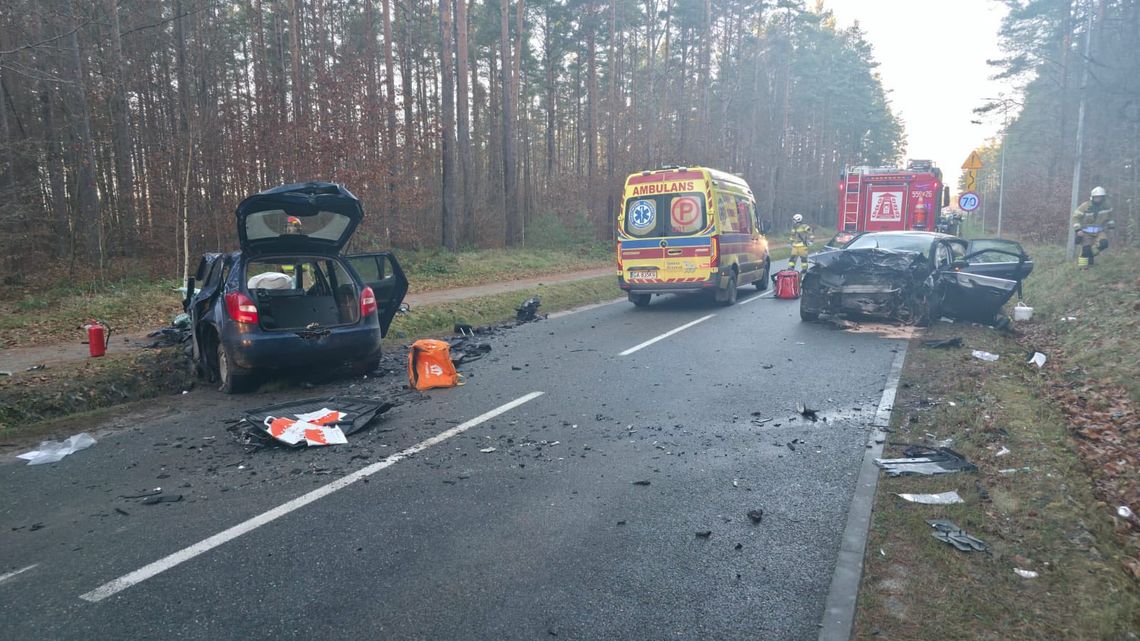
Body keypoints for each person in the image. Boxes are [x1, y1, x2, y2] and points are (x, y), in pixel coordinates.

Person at [1071, 186, 1114, 267]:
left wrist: (1111, 227)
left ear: (1103, 197)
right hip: (1086, 232)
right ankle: (1082, 267)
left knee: (1104, 243)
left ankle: (1091, 255)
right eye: (1097, 197)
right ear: (1092, 197)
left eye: (1100, 197)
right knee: (1085, 250)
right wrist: (1078, 230)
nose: (1098, 199)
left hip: (1099, 231)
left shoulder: (1107, 206)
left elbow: (1111, 217)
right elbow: (1075, 217)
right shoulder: (1085, 206)